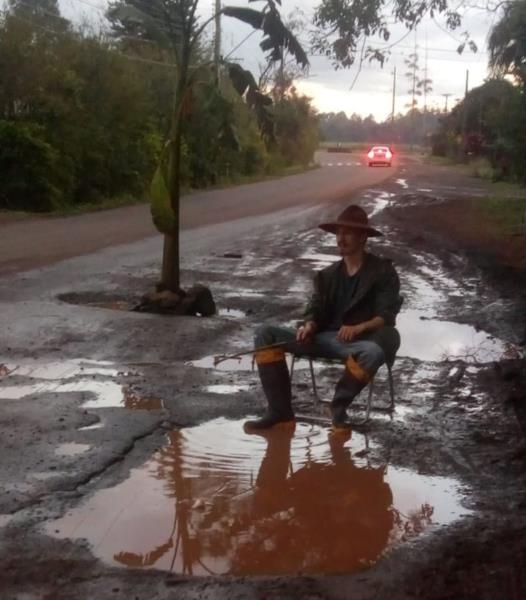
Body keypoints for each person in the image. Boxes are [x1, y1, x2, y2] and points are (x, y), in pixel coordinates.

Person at [245, 204, 402, 431]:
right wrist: (309, 325)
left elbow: (387, 315)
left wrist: (358, 327)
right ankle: (279, 411)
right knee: (265, 333)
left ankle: (337, 408)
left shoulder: (382, 272)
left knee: (373, 353)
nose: (341, 238)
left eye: (348, 233)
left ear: (363, 238)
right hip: (323, 338)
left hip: (360, 344)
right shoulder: (327, 275)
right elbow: (315, 308)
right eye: (338, 233)